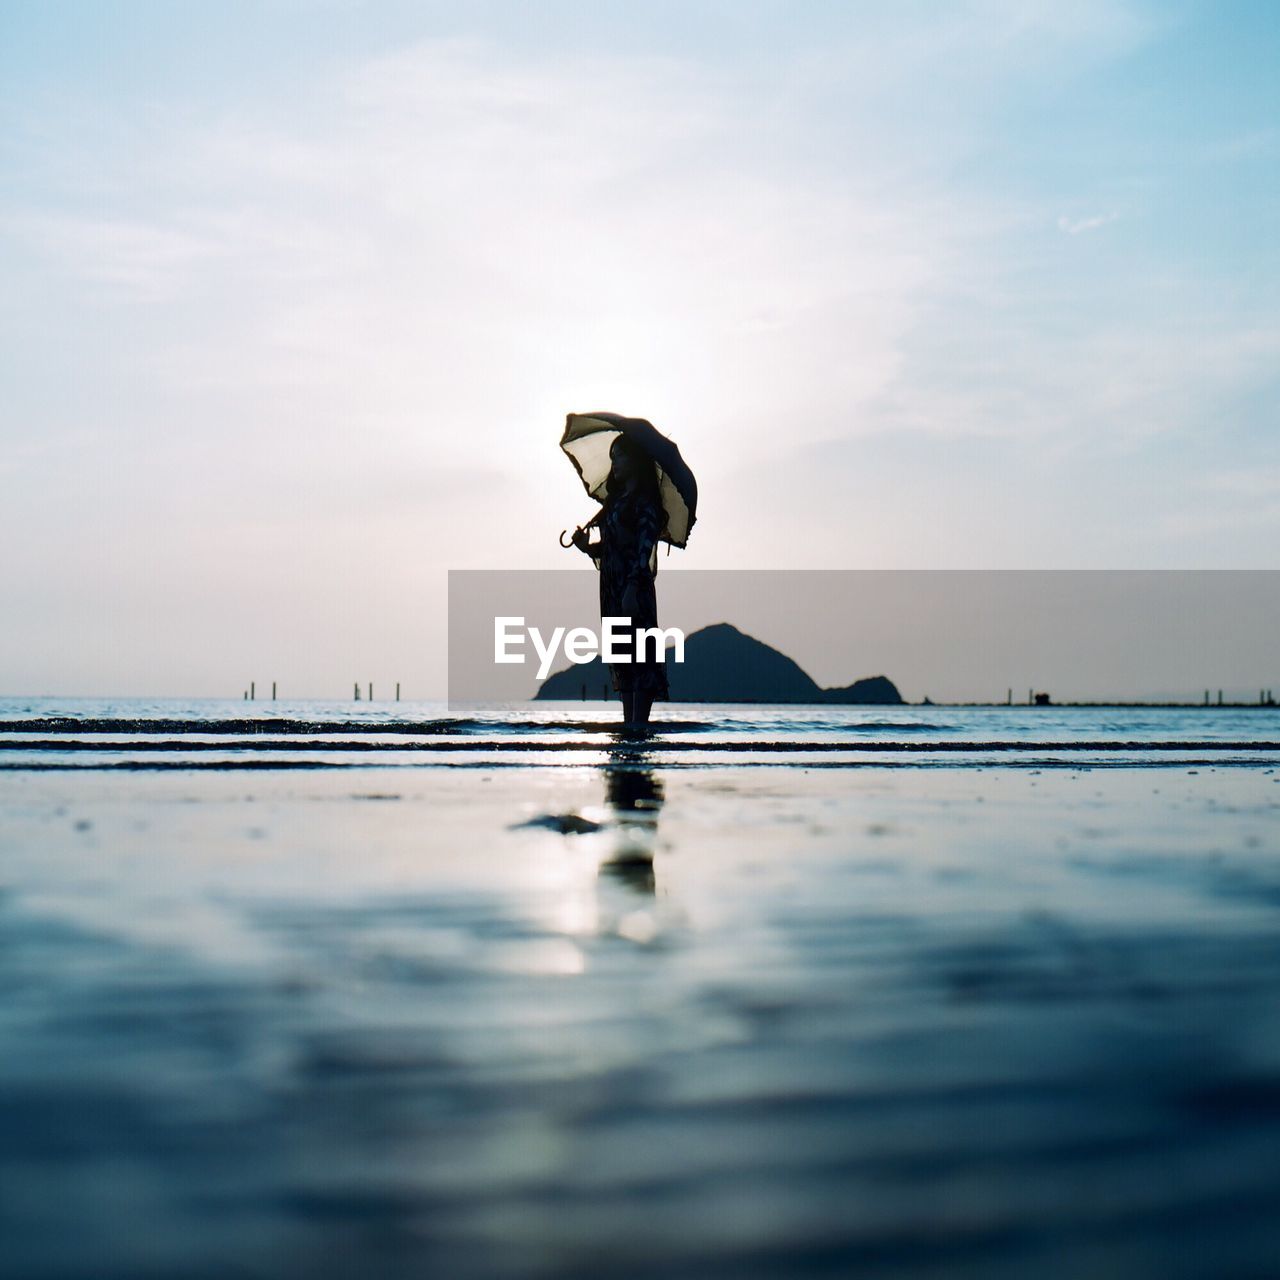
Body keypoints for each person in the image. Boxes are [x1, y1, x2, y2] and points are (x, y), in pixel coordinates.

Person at [570, 435, 669, 728]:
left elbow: (644, 544)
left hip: (632, 585)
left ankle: (639, 724)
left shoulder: (646, 502)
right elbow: (610, 548)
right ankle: (629, 725)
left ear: (636, 462)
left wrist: (634, 585)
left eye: (621, 457)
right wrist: (586, 546)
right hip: (611, 586)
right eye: (613, 458)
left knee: (641, 653)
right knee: (622, 655)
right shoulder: (614, 504)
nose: (615, 464)